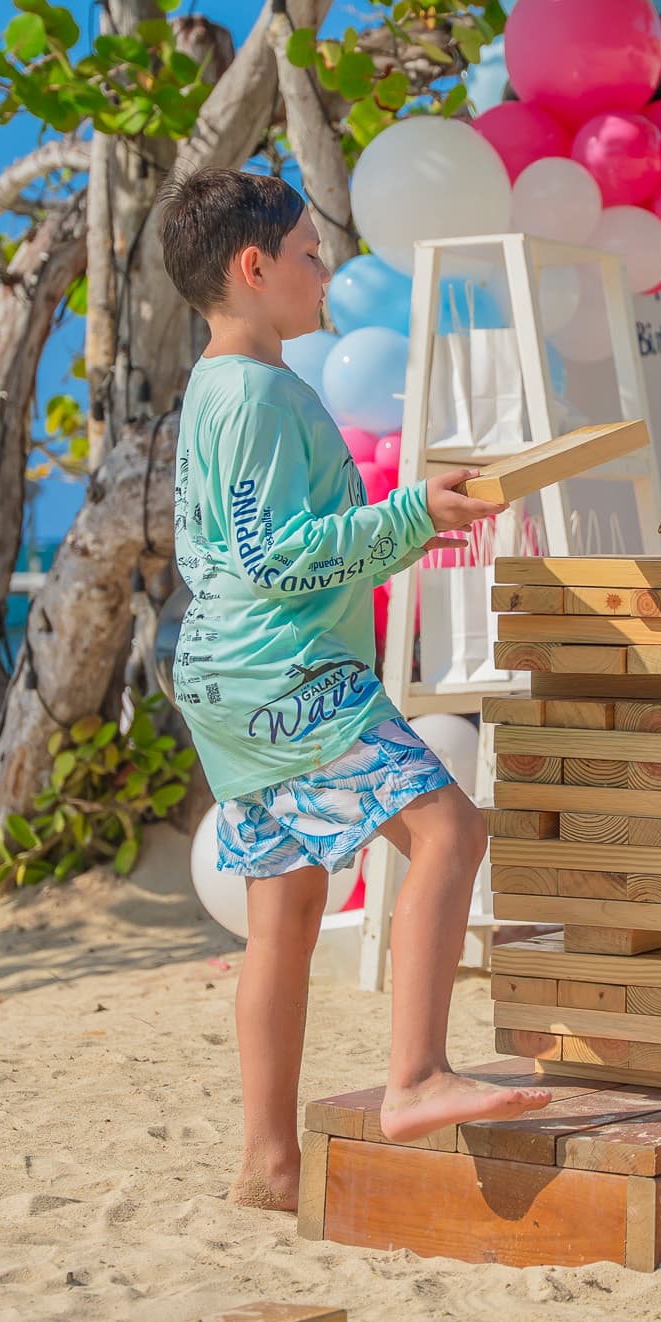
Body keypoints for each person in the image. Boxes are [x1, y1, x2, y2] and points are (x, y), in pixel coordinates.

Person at [159, 168, 549, 1211]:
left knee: (283, 910)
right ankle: (416, 1077)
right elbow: (272, 559)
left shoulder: (210, 388)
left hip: (226, 677)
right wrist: (414, 516)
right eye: (308, 254)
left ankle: (269, 1163)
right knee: (449, 832)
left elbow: (242, 550)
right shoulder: (260, 391)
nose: (324, 273)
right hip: (284, 672)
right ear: (254, 269)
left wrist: (408, 514)